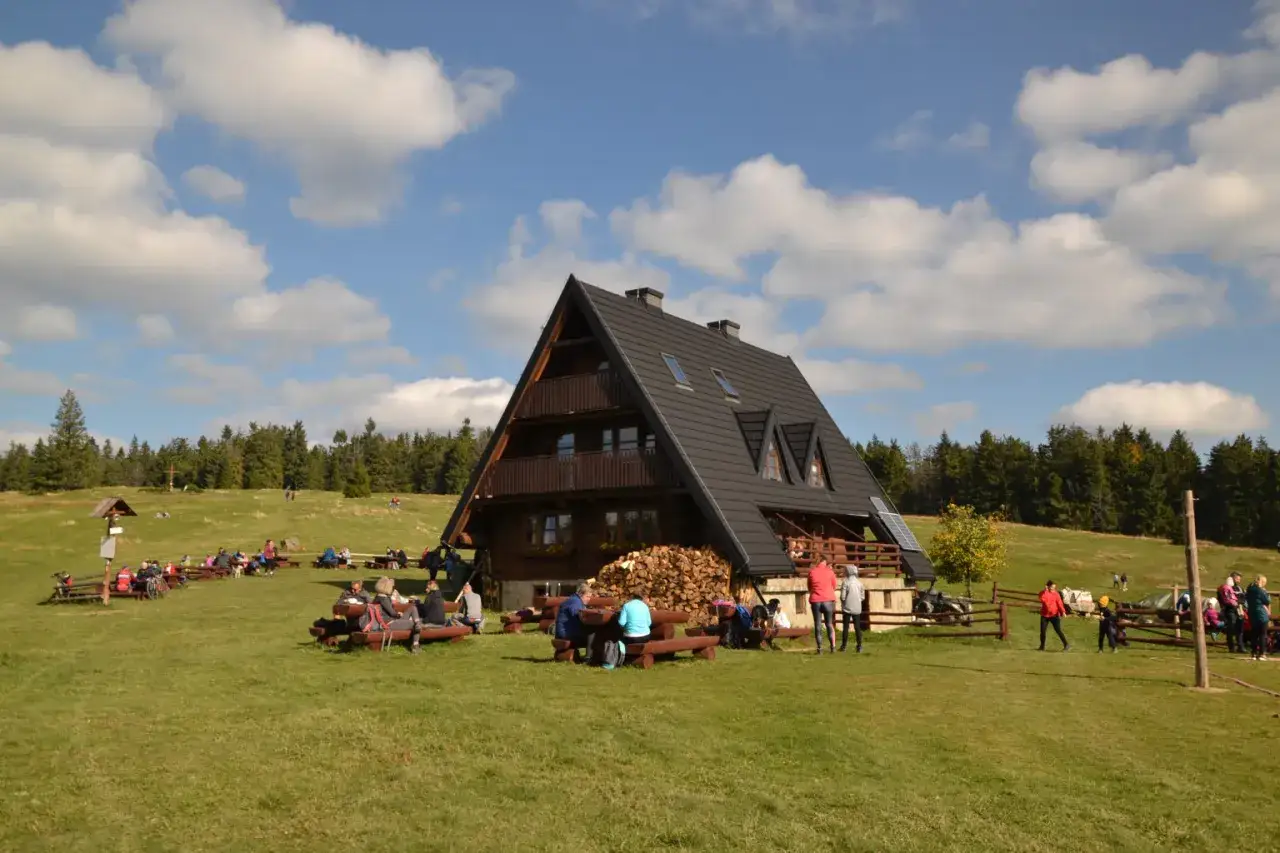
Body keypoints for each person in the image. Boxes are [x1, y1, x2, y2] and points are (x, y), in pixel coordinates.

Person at [366, 576, 422, 652]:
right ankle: (415, 645)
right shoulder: (383, 598)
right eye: (392, 587)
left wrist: (398, 614)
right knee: (415, 624)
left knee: (413, 608)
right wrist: (398, 614)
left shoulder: (380, 597)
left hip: (391, 621)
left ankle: (417, 625)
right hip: (388, 623)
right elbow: (392, 613)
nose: (393, 589)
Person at [806, 554, 838, 654]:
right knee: (829, 624)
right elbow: (834, 586)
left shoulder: (812, 571)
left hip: (816, 600)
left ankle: (819, 648)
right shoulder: (830, 572)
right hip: (828, 600)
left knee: (818, 624)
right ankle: (832, 647)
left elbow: (809, 587)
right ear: (824, 562)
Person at [838, 565, 865, 653]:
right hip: (857, 608)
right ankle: (859, 646)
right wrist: (857, 601)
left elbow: (842, 597)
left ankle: (844, 646)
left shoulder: (845, 582)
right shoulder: (860, 583)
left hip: (847, 608)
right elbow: (862, 597)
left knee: (846, 627)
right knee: (857, 627)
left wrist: (844, 603)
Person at [1038, 580, 1070, 651]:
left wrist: (1063, 612)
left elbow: (1059, 603)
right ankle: (1042, 646)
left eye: (1054, 587)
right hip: (1045, 615)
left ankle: (1066, 644)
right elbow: (1042, 599)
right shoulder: (1044, 593)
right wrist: (1045, 591)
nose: (1053, 589)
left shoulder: (1056, 594)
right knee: (1043, 631)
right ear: (1048, 587)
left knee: (1058, 630)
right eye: (1052, 587)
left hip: (1054, 615)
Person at [1245, 575, 1270, 661]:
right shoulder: (1260, 590)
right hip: (1261, 614)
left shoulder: (1249, 589)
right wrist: (1265, 592)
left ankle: (1253, 653)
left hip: (1252, 614)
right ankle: (1262, 654)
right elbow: (1267, 601)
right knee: (1263, 634)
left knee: (1254, 635)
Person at [1218, 572, 1245, 653]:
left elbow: (1243, 598)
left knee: (1240, 629)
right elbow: (1222, 598)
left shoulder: (1239, 588)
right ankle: (1231, 647)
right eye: (1237, 578)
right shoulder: (1225, 587)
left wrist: (1239, 601)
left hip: (1239, 609)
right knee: (1231, 628)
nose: (1239, 580)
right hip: (1229, 610)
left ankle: (1240, 647)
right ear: (1233, 578)